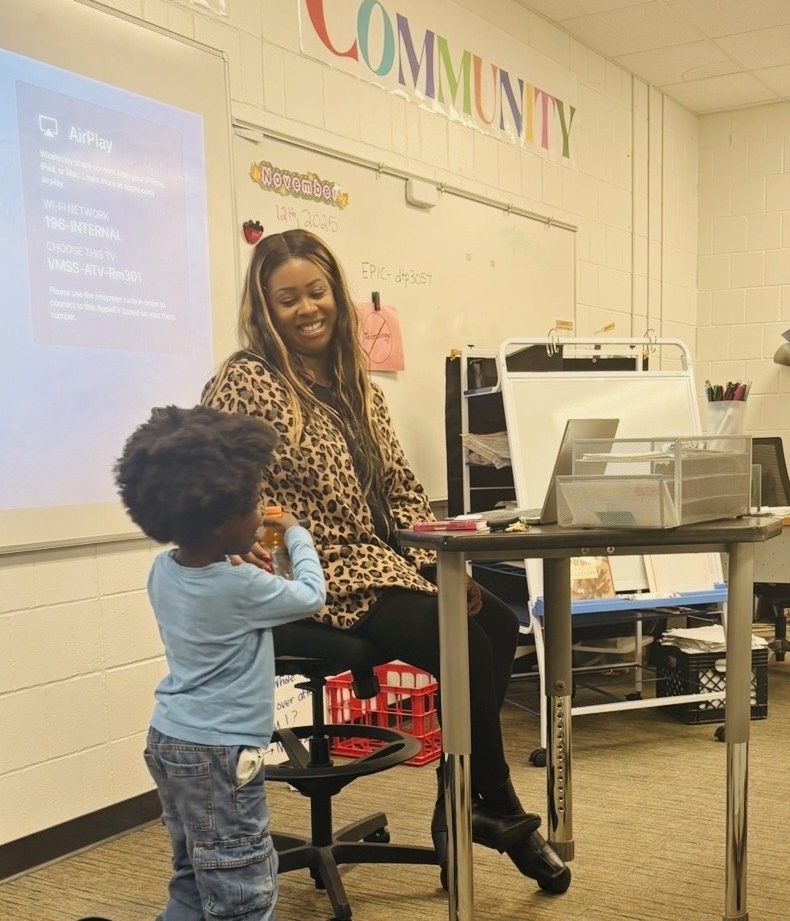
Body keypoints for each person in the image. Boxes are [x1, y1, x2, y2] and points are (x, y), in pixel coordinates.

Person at [201, 228, 570, 890]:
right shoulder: (248, 380)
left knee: (494, 619)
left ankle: (461, 803)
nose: (307, 308)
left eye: (316, 291)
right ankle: (492, 806)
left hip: (374, 563)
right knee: (463, 640)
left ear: (335, 294)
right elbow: (209, 478)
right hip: (308, 573)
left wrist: (440, 565)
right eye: (288, 298)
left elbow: (400, 488)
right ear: (264, 308)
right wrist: (247, 543)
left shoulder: (359, 387)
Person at [114, 404, 327, 921]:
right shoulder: (240, 586)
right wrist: (296, 533)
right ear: (216, 523)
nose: (261, 513)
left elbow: (212, 580)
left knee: (192, 871)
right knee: (241, 887)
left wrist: (235, 553)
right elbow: (311, 595)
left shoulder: (162, 569)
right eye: (253, 505)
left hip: (169, 739)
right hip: (219, 752)